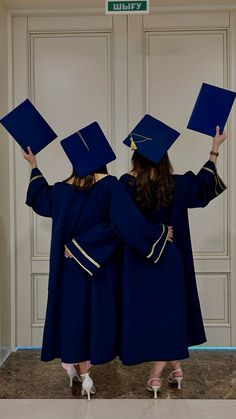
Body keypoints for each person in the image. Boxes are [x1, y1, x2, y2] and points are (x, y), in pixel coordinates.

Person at [69, 116, 226, 398]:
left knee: (149, 319)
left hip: (135, 265)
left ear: (136, 159)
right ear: (164, 158)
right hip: (170, 261)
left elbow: (112, 223)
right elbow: (205, 183)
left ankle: (156, 376)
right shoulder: (177, 185)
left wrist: (82, 244)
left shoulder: (124, 187)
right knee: (169, 317)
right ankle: (168, 371)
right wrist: (214, 149)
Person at [22, 122, 173, 400]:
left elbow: (38, 197)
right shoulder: (110, 187)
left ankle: (82, 374)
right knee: (94, 317)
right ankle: (87, 374)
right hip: (99, 266)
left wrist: (33, 165)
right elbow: (125, 224)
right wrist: (160, 232)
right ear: (103, 159)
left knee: (73, 318)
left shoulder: (60, 191)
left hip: (68, 268)